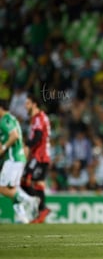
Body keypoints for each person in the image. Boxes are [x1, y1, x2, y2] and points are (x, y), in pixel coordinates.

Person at [0, 100, 39, 223]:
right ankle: (23, 219)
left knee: (2, 188)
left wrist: (4, 148)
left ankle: (30, 200)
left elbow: (14, 136)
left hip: (13, 159)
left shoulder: (5, 120)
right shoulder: (12, 119)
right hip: (18, 158)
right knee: (13, 189)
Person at [20, 94, 51, 223]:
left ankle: (40, 207)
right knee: (38, 183)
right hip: (41, 156)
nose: (25, 106)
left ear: (34, 104)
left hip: (40, 156)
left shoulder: (38, 118)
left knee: (24, 180)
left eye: (27, 103)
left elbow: (38, 137)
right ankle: (41, 211)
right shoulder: (38, 118)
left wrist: (26, 146)